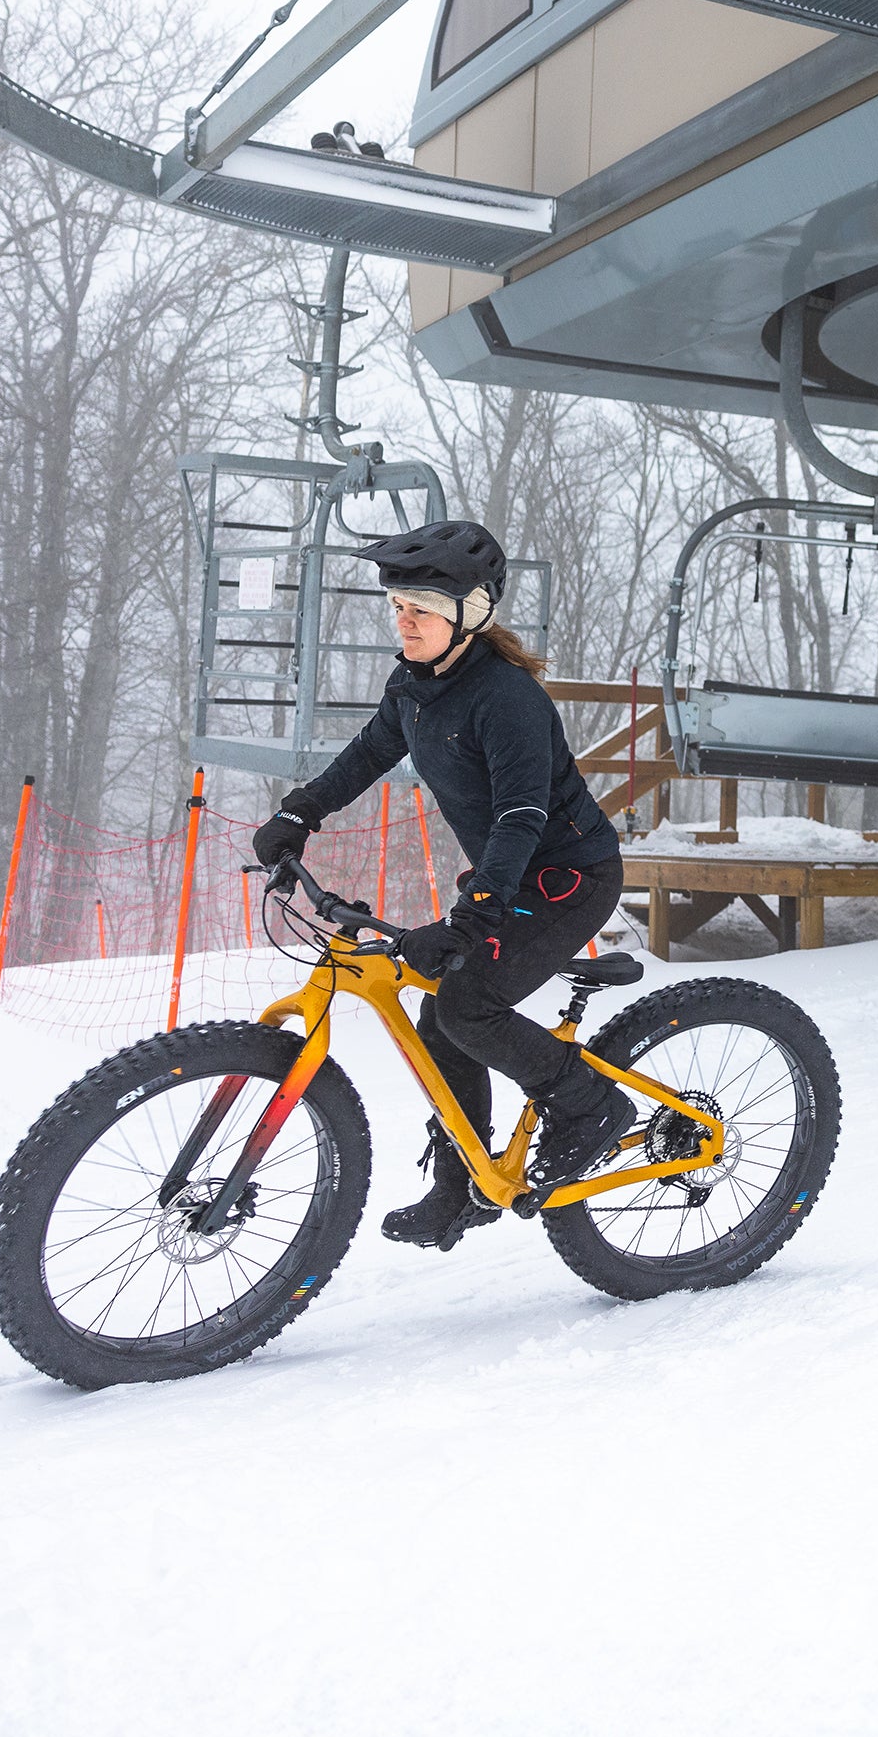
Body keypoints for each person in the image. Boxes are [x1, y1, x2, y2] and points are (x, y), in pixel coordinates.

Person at [248, 520, 630, 1250]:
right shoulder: (413, 685)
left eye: (419, 607)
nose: (404, 621)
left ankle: (591, 1108)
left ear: (472, 611)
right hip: (506, 873)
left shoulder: (508, 700)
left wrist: (472, 918)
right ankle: (463, 1183)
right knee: (440, 1016)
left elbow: (521, 818)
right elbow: (367, 755)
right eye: (397, 607)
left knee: (467, 1005)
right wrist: (301, 811)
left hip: (569, 877)